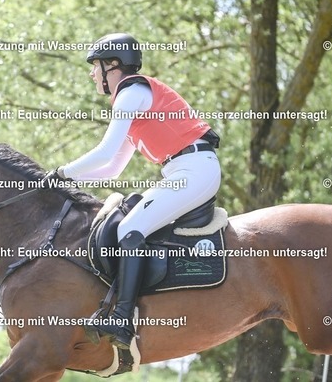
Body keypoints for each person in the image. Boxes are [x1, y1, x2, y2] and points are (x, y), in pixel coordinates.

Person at [44, 33, 221, 349]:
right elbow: (113, 168)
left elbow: (103, 152)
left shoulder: (131, 93)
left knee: (130, 228)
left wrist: (62, 172)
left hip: (195, 170)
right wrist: (67, 181)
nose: (92, 74)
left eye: (95, 66)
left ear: (113, 65)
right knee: (132, 224)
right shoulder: (133, 99)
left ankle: (123, 321)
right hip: (187, 169)